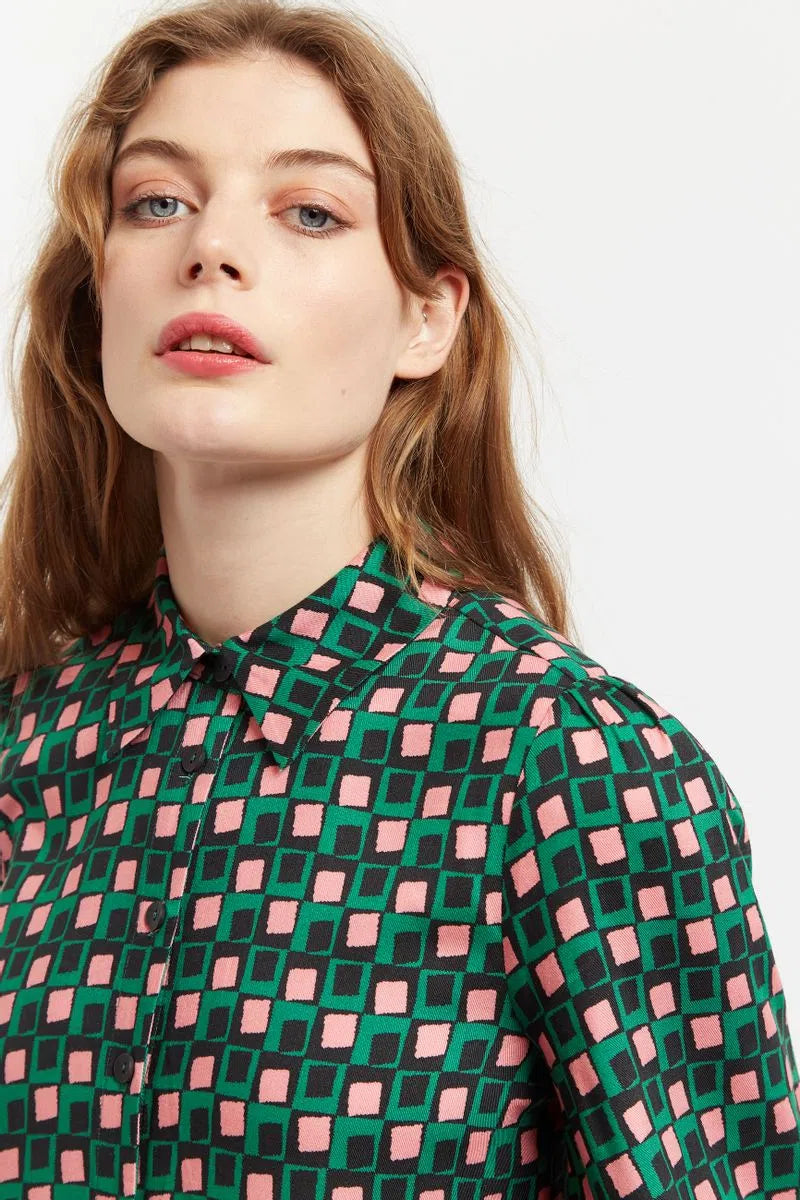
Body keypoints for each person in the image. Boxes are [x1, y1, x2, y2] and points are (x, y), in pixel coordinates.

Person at [0, 0, 797, 1196]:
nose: (209, 248)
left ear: (426, 319)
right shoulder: (28, 748)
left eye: (309, 212)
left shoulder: (567, 765)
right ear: (96, 296)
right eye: (157, 201)